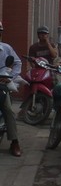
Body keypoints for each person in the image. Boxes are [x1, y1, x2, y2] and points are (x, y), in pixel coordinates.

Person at [0, 22, 23, 156]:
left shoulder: (6, 48)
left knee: (8, 109)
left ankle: (14, 142)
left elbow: (17, 62)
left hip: (2, 85)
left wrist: (10, 77)